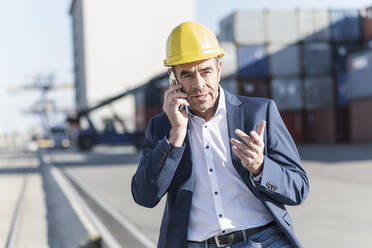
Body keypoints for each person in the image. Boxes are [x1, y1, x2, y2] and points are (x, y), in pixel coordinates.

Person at [131, 21, 309, 248]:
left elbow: (299, 188)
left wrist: (260, 167)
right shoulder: (161, 127)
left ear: (219, 68)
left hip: (264, 240)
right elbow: (145, 196)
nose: (199, 84)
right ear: (172, 77)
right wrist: (175, 135)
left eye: (206, 71)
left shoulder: (258, 113)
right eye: (187, 75)